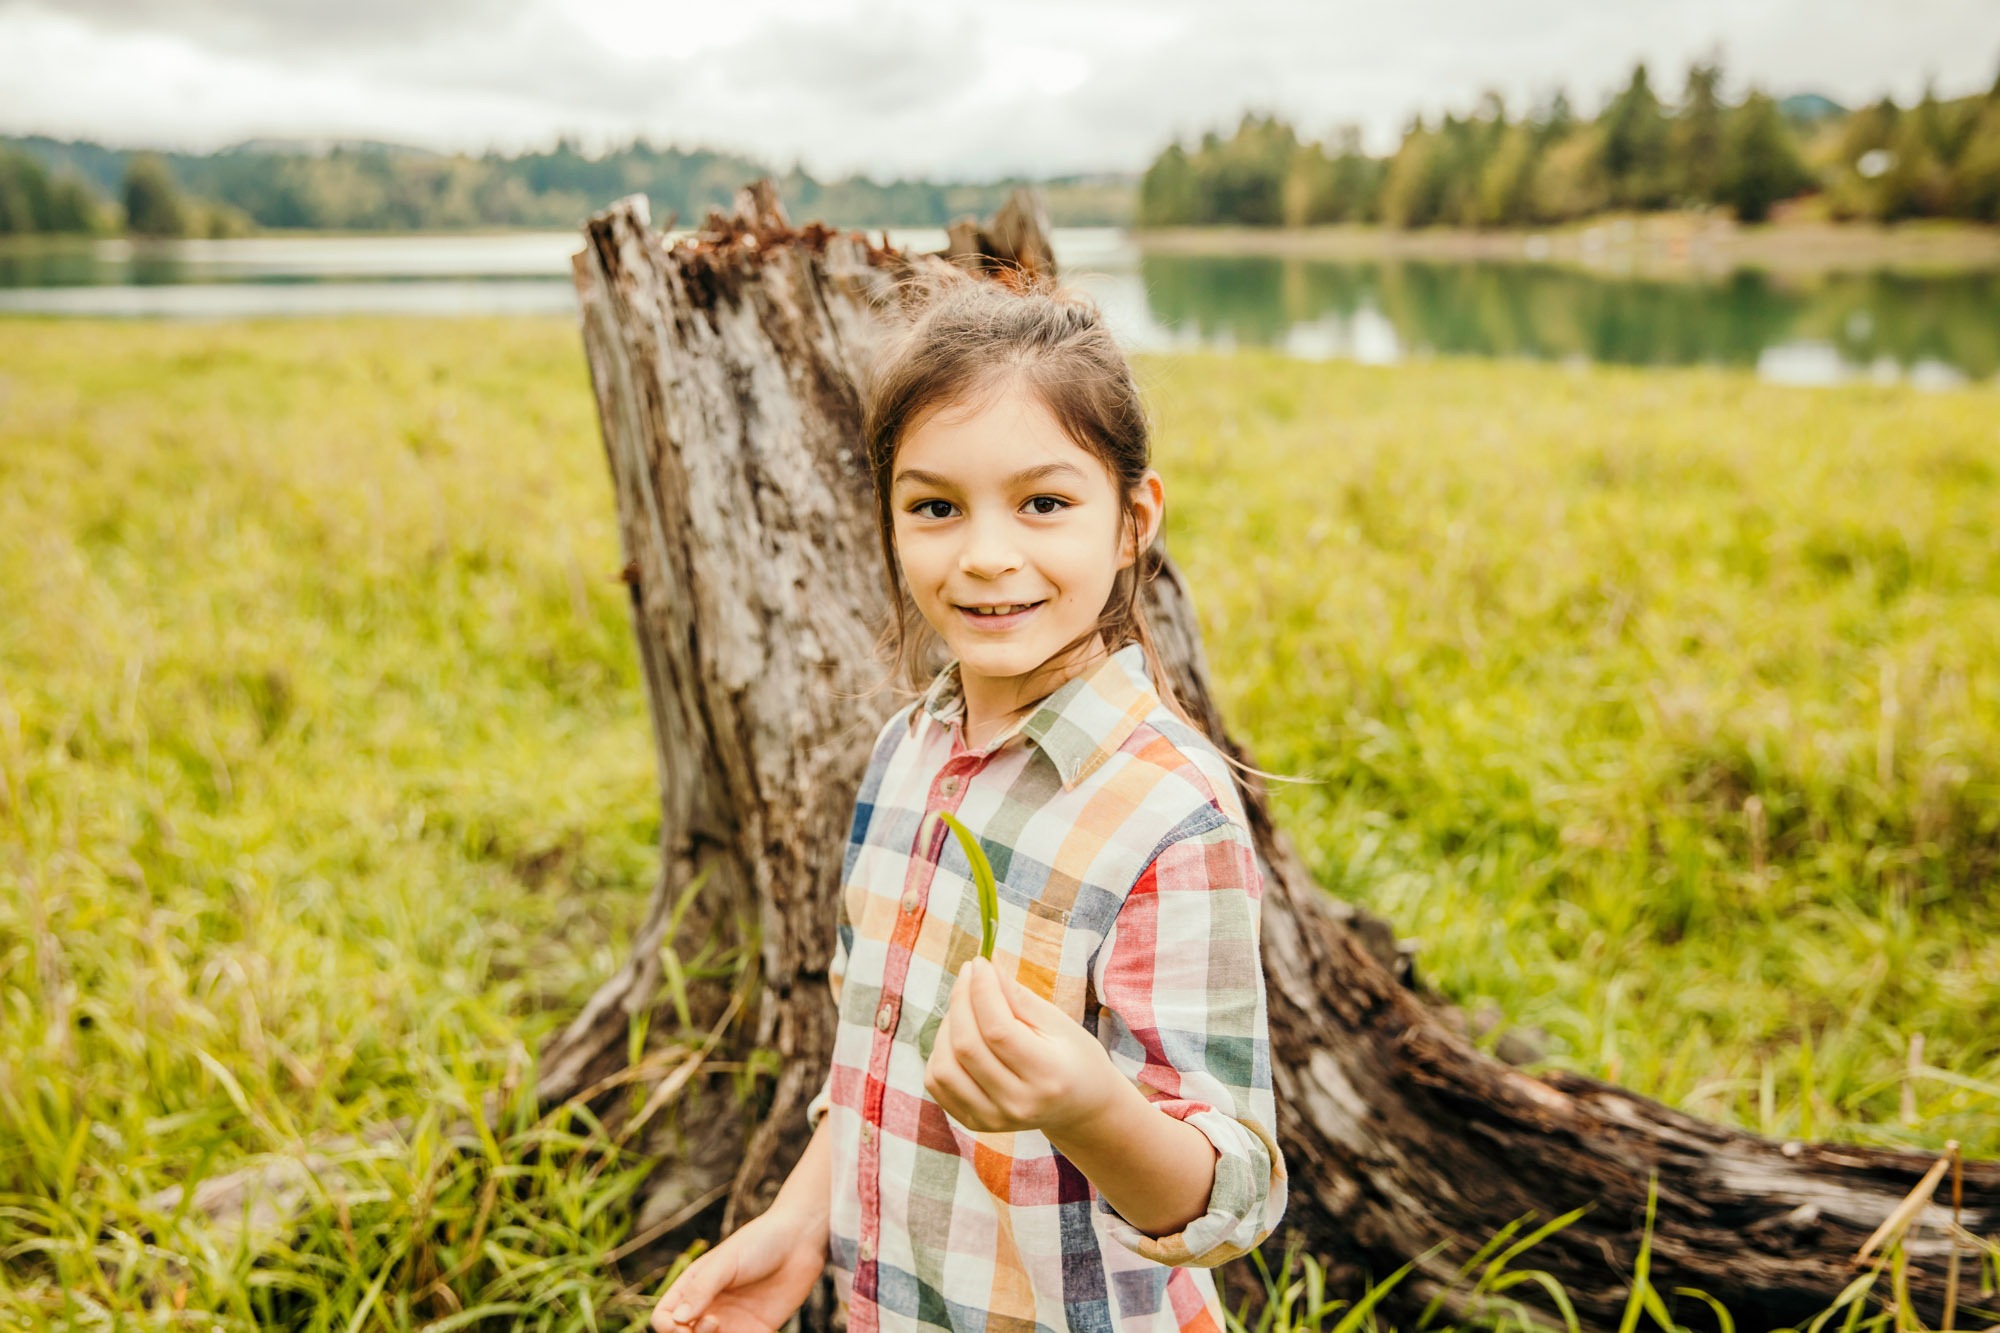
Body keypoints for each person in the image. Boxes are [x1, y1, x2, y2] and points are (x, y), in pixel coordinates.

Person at [648, 268, 1286, 1333]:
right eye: (935, 506)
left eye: (1042, 502)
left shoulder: (1165, 813)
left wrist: (1086, 1106)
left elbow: (1232, 1196)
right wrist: (798, 1223)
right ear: (890, 520)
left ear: (1132, 519)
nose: (987, 556)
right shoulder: (907, 755)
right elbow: (874, 1047)